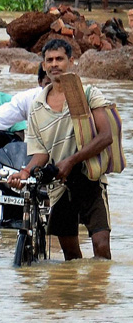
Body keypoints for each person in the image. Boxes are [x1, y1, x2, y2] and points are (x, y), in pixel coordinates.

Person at [8, 39, 113, 261]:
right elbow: (41, 153)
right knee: (71, 256)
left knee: (101, 247)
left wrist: (71, 161)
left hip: (89, 178)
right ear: (44, 65)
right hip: (59, 185)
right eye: (50, 60)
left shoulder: (87, 94)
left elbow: (106, 136)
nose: (54, 64)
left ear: (71, 62)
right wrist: (25, 172)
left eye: (60, 59)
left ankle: (98, 293)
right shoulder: (36, 107)